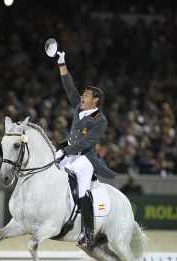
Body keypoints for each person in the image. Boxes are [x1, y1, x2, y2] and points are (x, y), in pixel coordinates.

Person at [55, 51, 117, 247]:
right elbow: (68, 86)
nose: (82, 96)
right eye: (83, 94)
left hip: (84, 159)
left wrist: (67, 150)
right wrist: (61, 62)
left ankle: (88, 232)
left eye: (86, 95)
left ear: (95, 100)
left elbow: (86, 142)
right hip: (67, 152)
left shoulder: (100, 120)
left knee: (83, 190)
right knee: (45, 167)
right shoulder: (79, 108)